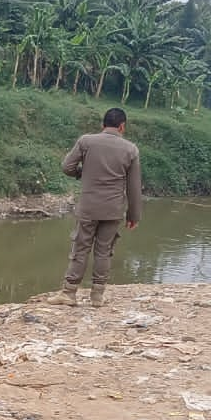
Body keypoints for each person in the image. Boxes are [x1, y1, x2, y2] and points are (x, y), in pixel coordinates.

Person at [56, 108, 143, 308]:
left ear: (102, 125)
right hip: (113, 210)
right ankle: (97, 297)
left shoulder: (86, 141)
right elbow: (134, 187)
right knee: (104, 252)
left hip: (88, 207)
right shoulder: (131, 149)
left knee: (80, 248)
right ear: (122, 126)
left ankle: (69, 293)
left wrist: (82, 172)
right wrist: (134, 215)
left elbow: (67, 167)